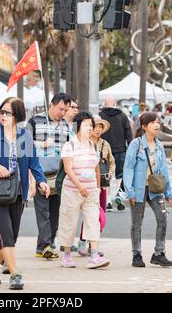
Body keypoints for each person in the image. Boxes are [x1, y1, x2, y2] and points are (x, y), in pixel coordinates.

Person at [0, 97, 50, 290]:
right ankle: (15, 274)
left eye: (7, 112)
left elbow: (34, 162)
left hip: (18, 191)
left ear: (17, 115)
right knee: (6, 233)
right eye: (1, 112)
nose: (3, 115)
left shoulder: (25, 135)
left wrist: (41, 181)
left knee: (11, 235)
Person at [58, 111, 111, 269]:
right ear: (78, 126)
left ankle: (94, 256)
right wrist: (80, 186)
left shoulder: (92, 145)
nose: (90, 128)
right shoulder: (70, 145)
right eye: (86, 125)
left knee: (93, 221)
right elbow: (68, 169)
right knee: (69, 222)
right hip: (72, 190)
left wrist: (97, 186)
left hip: (91, 192)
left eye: (91, 125)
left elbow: (96, 167)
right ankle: (66, 255)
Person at [123, 112, 172, 268]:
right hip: (138, 189)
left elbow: (164, 169)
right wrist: (129, 191)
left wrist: (168, 191)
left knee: (162, 218)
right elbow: (128, 168)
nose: (157, 125)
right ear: (144, 127)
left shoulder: (159, 144)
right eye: (153, 122)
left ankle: (159, 253)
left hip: (155, 188)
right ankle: (136, 254)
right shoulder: (136, 144)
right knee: (137, 223)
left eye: (158, 122)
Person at [27, 93, 72, 259]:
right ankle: (46, 245)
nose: (62, 113)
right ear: (52, 105)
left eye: (65, 110)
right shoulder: (35, 121)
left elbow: (71, 146)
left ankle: (43, 246)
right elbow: (23, 144)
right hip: (40, 175)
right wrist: (42, 144)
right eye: (61, 109)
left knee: (55, 213)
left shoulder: (66, 126)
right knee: (43, 211)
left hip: (59, 175)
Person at [77, 115, 115, 255]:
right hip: (86, 184)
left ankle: (92, 245)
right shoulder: (83, 143)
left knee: (100, 215)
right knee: (89, 214)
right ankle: (83, 242)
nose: (98, 130)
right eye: (95, 127)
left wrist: (110, 173)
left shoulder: (105, 144)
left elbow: (112, 162)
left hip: (102, 185)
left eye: (100, 127)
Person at [100, 97, 133, 211]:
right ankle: (119, 195)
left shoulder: (101, 116)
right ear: (114, 104)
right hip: (120, 150)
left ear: (105, 104)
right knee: (121, 175)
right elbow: (128, 132)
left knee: (106, 176)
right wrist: (131, 147)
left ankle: (108, 201)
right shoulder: (122, 116)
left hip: (104, 151)